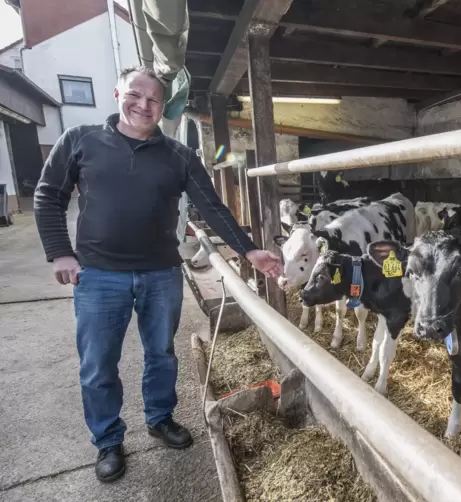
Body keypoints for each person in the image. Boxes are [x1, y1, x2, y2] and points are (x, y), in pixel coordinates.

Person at [33, 65, 282, 483]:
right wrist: (60, 253)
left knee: (161, 354)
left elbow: (213, 207)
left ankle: (160, 417)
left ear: (163, 107)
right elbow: (48, 195)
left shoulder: (179, 156)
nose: (143, 105)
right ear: (117, 94)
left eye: (153, 100)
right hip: (99, 274)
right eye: (135, 95)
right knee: (98, 364)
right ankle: (108, 440)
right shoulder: (80, 140)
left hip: (160, 273)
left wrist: (249, 249)